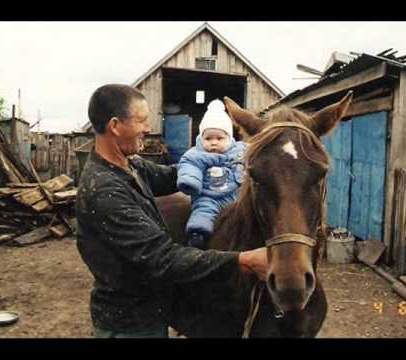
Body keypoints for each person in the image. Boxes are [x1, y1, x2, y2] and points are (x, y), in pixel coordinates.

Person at [75, 84, 267, 338]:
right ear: (115, 126)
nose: (148, 128)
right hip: (128, 324)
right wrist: (243, 260)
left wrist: (218, 159)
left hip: (152, 311)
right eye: (142, 120)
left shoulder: (129, 166)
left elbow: (172, 175)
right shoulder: (103, 190)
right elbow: (161, 258)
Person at [177, 99, 246, 249]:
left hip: (236, 194)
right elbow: (189, 166)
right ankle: (198, 235)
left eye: (220, 138)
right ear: (201, 138)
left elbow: (256, 157)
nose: (213, 142)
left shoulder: (240, 151)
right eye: (208, 138)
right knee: (203, 211)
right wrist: (189, 181)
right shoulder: (196, 154)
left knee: (249, 208)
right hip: (209, 196)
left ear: (230, 138)